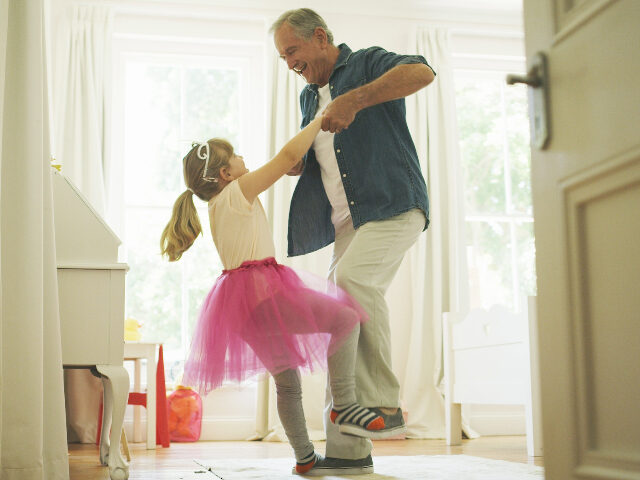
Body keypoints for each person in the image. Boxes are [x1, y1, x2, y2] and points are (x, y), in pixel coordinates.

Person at [160, 116, 400, 475]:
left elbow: (285, 163)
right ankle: (345, 405)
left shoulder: (216, 204)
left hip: (241, 307)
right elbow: (288, 155)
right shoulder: (237, 191)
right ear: (225, 173)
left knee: (287, 384)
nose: (244, 159)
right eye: (237, 156)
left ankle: (304, 458)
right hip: (262, 293)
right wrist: (320, 120)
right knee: (346, 318)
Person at [270, 8, 436, 476]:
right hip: (346, 225)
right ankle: (348, 454)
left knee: (354, 281)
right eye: (283, 57)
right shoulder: (308, 98)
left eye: (292, 52)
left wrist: (356, 99)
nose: (289, 63)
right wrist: (299, 164)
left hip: (392, 205)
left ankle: (382, 404)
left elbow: (422, 71)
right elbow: (327, 156)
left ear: (320, 38)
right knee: (338, 322)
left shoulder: (364, 64)